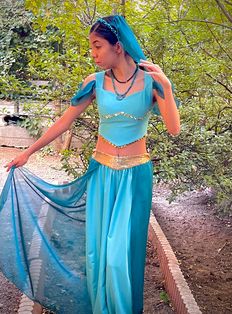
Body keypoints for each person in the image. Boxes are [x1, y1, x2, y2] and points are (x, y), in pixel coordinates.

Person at [0, 15, 180, 314]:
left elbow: (173, 128)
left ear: (118, 46)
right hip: (101, 173)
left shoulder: (151, 82)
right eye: (91, 47)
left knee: (119, 257)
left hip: (135, 177)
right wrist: (29, 151)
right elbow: (63, 122)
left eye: (97, 46)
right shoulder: (94, 83)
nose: (93, 54)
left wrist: (168, 88)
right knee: (98, 254)